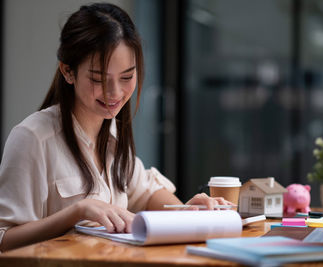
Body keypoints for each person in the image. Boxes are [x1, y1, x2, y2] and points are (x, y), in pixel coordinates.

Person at [0, 3, 232, 252]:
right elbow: (5, 239)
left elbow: (145, 192)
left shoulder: (111, 133)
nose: (115, 93)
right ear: (68, 71)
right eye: (98, 79)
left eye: (126, 77)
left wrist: (187, 211)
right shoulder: (33, 138)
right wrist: (76, 212)